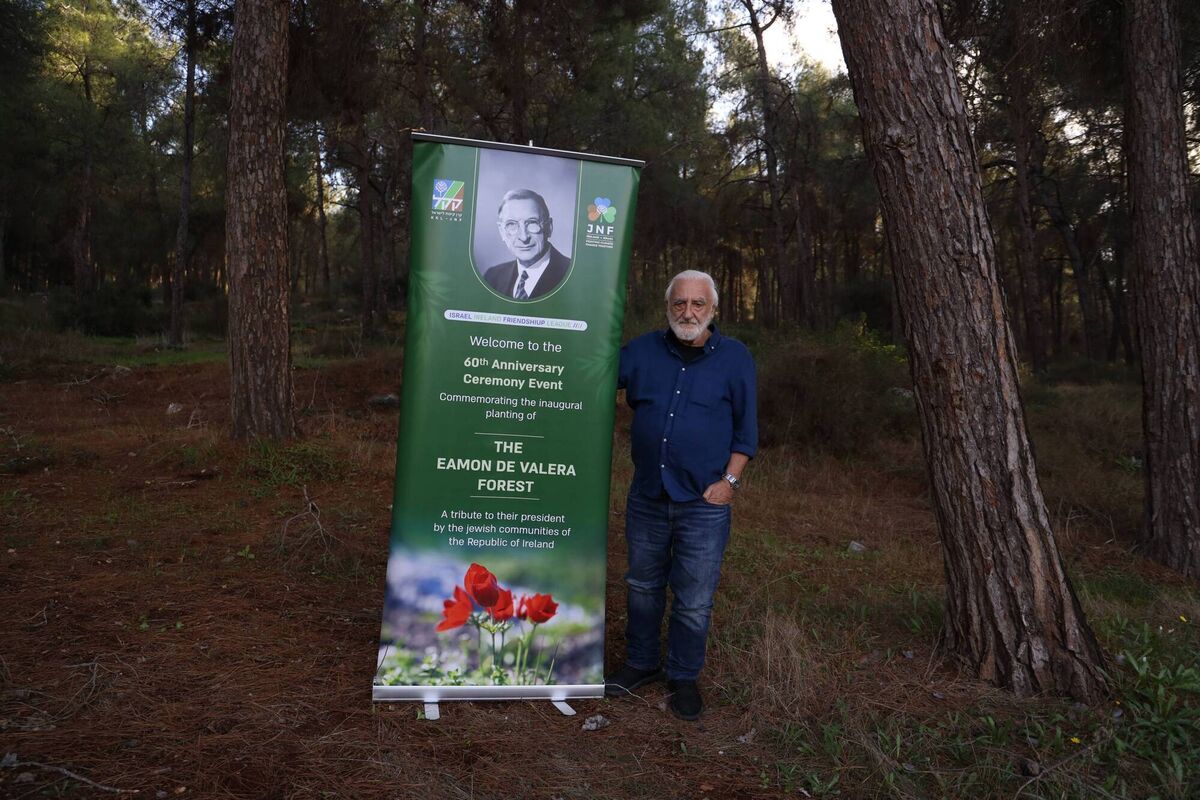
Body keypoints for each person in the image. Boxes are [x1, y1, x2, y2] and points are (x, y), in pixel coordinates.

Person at [604, 269, 757, 721]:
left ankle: (684, 677)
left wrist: (728, 483)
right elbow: (590, 377)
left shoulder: (735, 357)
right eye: (679, 304)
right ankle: (641, 663)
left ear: (713, 310)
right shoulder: (642, 351)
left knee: (694, 597)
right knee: (643, 586)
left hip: (704, 503)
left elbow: (746, 433)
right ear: (667, 306)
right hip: (649, 495)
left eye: (697, 304)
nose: (687, 312)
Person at [483, 188, 571, 300]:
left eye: (532, 223)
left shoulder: (572, 276)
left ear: (549, 227)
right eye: (512, 224)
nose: (524, 237)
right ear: (502, 232)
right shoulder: (492, 277)